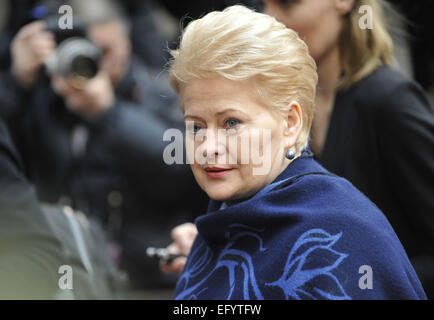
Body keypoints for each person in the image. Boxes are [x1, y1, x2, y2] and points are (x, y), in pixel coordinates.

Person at [164, 0, 434, 298]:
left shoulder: (347, 233)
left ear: (291, 123)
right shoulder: (224, 217)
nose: (208, 148)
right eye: (196, 127)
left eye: (231, 122)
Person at [0, 0, 206, 291]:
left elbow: (184, 168)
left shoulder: (162, 90)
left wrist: (107, 112)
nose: (98, 63)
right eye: (88, 51)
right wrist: (17, 82)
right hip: (70, 273)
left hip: (150, 279)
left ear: (127, 43)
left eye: (107, 51)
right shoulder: (43, 100)